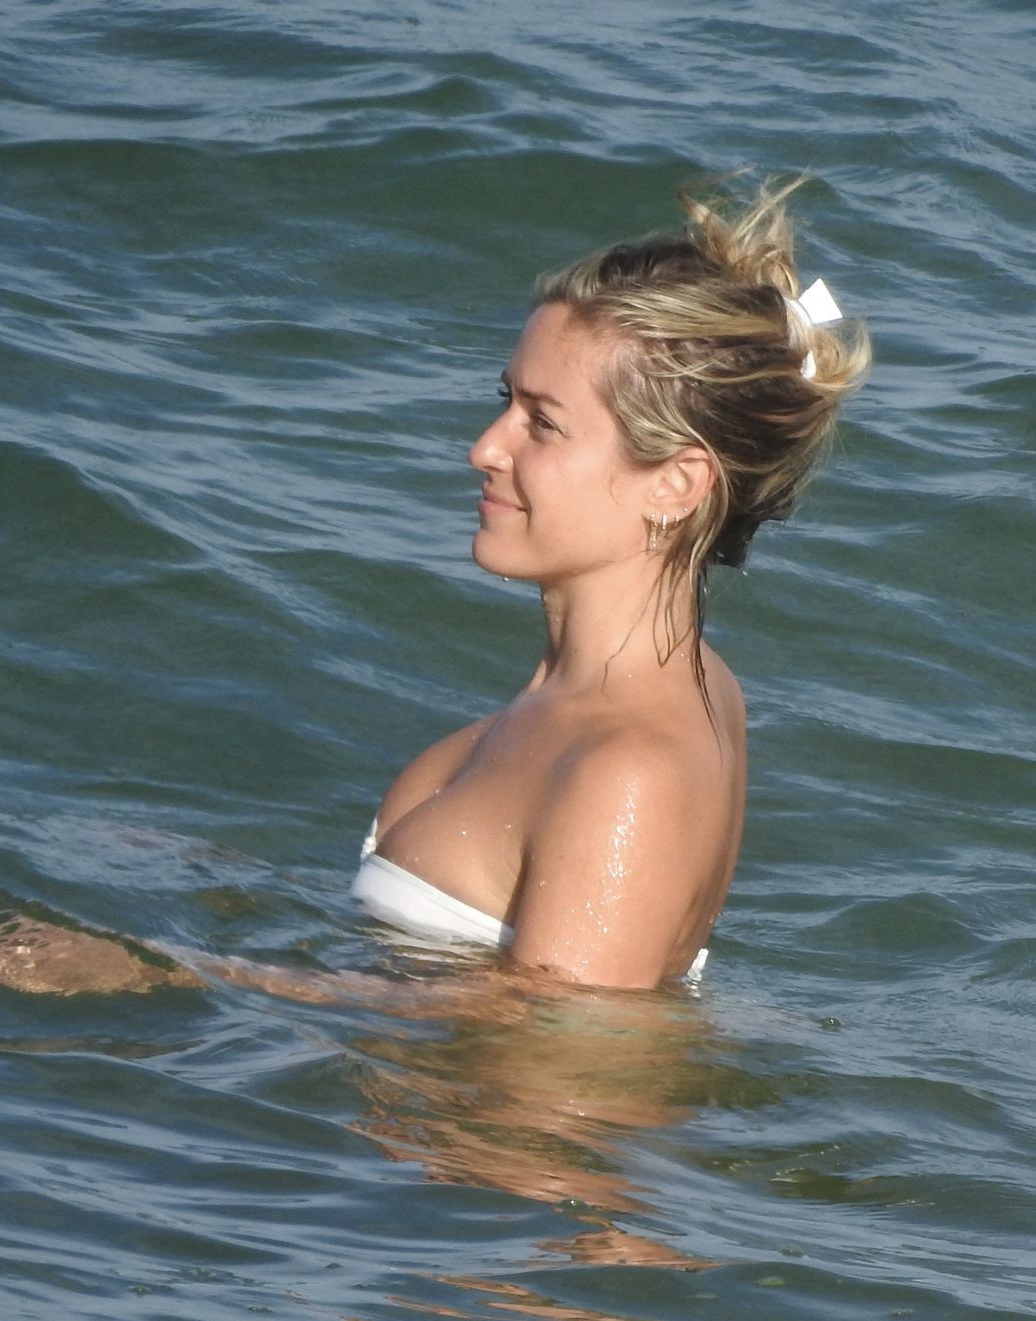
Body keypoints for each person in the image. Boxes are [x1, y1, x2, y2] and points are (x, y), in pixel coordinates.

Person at [351, 172, 870, 989]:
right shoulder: (685, 688)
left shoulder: (630, 772)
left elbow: (571, 1058)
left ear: (676, 484)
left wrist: (218, 982)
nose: (485, 448)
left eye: (542, 423)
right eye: (505, 401)